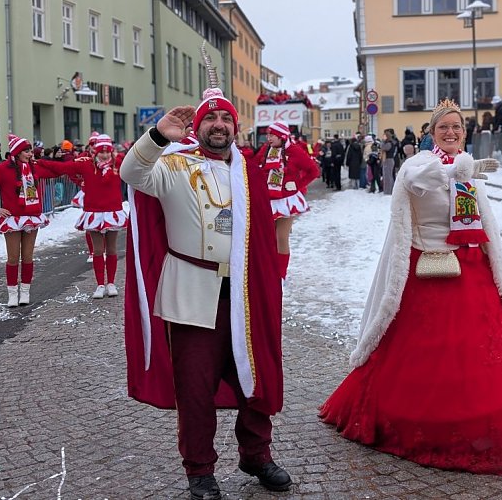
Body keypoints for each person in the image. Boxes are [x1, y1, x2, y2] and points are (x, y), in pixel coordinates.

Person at [319, 98, 502, 475]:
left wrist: (467, 171)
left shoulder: (466, 168)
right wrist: (459, 170)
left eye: (457, 127)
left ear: (465, 133)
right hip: (430, 265)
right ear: (432, 134)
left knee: (487, 349)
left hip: (472, 265)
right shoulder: (419, 165)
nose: (450, 133)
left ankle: (493, 416)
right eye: (443, 127)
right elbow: (419, 181)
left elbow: (476, 216)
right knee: (424, 355)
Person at [119, 85, 291, 500]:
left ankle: (256, 454)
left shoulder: (247, 173)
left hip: (244, 291)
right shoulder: (173, 165)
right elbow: (132, 173)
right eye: (211, 119)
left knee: (255, 378)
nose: (219, 125)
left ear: (236, 126)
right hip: (192, 292)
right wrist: (160, 134)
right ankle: (200, 470)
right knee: (195, 388)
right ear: (198, 127)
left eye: (226, 118)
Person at [37, 134, 128, 298]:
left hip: (112, 211)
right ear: (95, 152)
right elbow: (61, 168)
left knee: (112, 249)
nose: (105, 155)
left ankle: (111, 283)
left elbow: (140, 162)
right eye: (101, 152)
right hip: (94, 212)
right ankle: (100, 284)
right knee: (98, 251)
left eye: (107, 152)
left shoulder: (119, 163)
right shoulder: (86, 165)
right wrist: (39, 162)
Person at [0, 134, 63, 307]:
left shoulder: (34, 168)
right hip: (12, 218)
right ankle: (12, 294)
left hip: (31, 216)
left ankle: (25, 291)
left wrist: (79, 165)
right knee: (13, 257)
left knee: (27, 257)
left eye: (31, 150)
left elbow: (57, 170)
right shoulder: (2, 169)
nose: (30, 154)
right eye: (26, 151)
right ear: (17, 152)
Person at [253, 121, 320, 282]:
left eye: (271, 135)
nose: (268, 138)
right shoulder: (266, 149)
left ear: (282, 136)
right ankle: (270, 269)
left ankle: (281, 274)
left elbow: (313, 171)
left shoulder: (295, 151)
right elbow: (255, 165)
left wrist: (298, 185)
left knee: (281, 237)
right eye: (267, 135)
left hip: (287, 201)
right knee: (269, 237)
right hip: (268, 199)